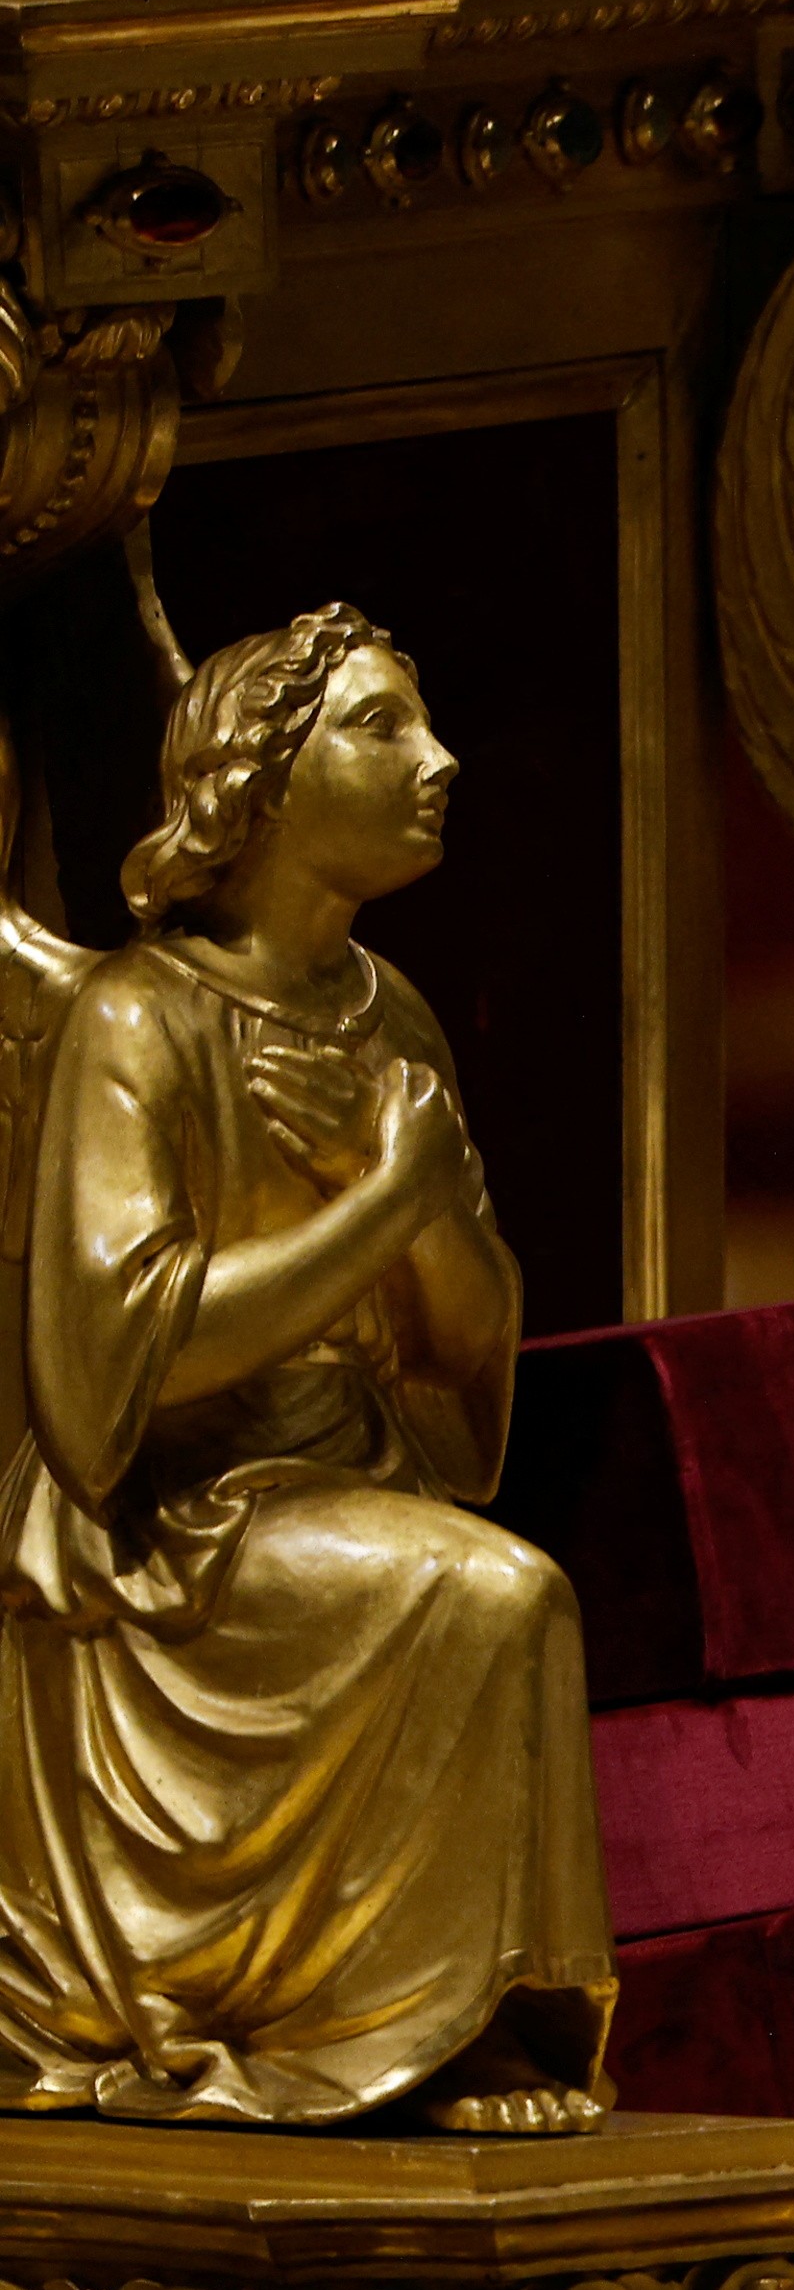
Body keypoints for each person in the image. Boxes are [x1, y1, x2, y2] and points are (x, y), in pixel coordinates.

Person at [0, 606, 613, 2131]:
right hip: (172, 1543)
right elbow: (108, 1376)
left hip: (345, 1484)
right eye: (382, 727)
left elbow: (472, 1358)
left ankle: (459, 2020)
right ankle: (443, 2026)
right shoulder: (140, 1018)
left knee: (487, 1573)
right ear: (256, 787)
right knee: (503, 1595)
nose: (440, 759)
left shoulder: (389, 1014)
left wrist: (428, 1223)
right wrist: (382, 1208)